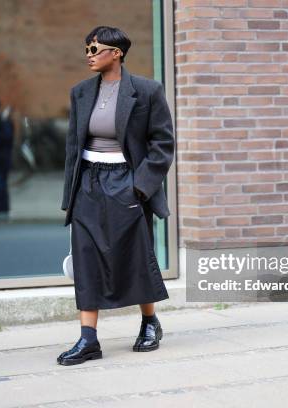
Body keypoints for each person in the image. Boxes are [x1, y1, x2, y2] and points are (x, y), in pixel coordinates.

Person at [58, 26, 175, 365]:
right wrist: (72, 193)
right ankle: (88, 338)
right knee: (86, 258)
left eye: (95, 48)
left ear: (117, 52)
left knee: (136, 254)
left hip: (127, 181)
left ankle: (150, 321)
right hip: (89, 184)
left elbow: (162, 144)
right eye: (86, 48)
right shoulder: (80, 92)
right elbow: (72, 148)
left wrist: (139, 186)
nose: (89, 54)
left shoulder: (147, 90)